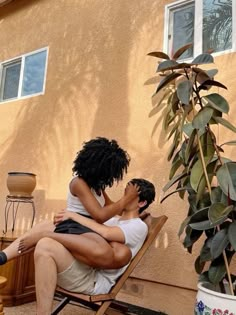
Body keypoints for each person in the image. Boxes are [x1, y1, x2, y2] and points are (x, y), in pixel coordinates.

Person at [0, 137, 139, 267]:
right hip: (74, 227)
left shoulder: (97, 187)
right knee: (33, 236)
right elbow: (100, 215)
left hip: (85, 227)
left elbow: (114, 209)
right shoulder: (78, 183)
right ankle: (4, 256)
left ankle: (5, 255)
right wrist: (126, 199)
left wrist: (137, 214)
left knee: (39, 229)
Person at [30, 178, 156, 315]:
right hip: (84, 268)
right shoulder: (114, 220)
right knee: (48, 233)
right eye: (125, 192)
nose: (124, 198)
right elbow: (98, 218)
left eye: (130, 196)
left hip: (94, 281)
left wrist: (73, 216)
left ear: (142, 202)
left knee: (46, 245)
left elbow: (106, 233)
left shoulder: (138, 226)